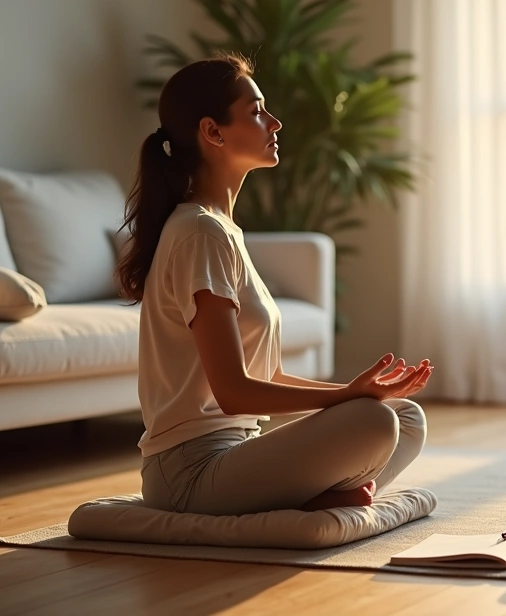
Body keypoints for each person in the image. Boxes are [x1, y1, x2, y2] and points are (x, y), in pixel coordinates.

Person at [114, 53, 433, 516]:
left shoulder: (220, 229)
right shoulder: (199, 231)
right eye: (257, 111)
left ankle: (319, 497)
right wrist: (349, 398)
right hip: (189, 472)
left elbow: (266, 378)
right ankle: (318, 498)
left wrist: (358, 390)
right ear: (213, 131)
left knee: (405, 416)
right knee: (374, 421)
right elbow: (234, 392)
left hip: (237, 450)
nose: (275, 122)